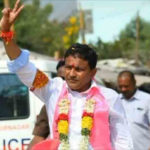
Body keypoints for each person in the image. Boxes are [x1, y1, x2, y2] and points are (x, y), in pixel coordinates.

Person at [0, 1, 133, 149]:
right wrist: (6, 33)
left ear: (93, 73)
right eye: (68, 67)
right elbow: (23, 66)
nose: (71, 74)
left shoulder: (109, 97)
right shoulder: (52, 89)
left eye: (79, 69)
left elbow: (122, 140)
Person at [27, 60, 65, 150]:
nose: (66, 82)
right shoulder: (50, 106)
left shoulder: (97, 101)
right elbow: (38, 138)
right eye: (62, 79)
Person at [117, 70, 150, 150]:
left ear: (134, 83)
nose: (123, 89)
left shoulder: (147, 100)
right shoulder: (115, 100)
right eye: (120, 86)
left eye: (126, 86)